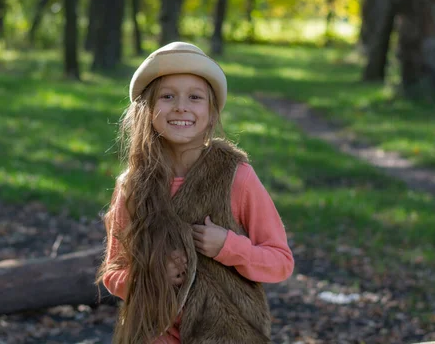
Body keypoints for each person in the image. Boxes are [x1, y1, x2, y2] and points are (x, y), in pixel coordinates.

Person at [96, 42, 294, 344]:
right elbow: (113, 272)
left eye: (195, 97)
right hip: (151, 333)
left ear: (211, 113)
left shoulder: (236, 178)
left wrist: (228, 247)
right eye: (167, 96)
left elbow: (280, 262)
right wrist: (152, 276)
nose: (181, 106)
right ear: (147, 109)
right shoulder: (132, 186)